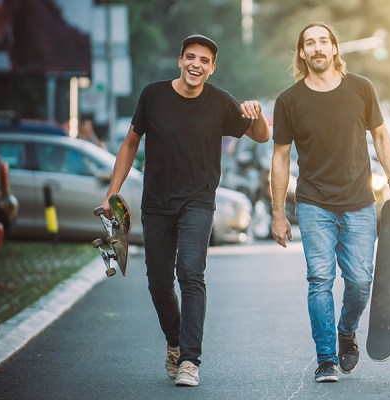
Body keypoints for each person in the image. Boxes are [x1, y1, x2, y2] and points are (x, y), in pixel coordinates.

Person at [100, 34, 269, 387]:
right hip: (157, 203)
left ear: (212, 67)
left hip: (198, 201)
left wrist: (258, 115)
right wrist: (111, 194)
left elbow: (262, 136)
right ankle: (175, 343)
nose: (196, 64)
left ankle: (190, 360)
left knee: (191, 273)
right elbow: (131, 142)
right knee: (159, 283)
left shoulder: (220, 101)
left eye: (204, 60)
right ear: (180, 61)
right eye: (190, 57)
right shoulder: (153, 95)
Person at [270, 22, 390, 383]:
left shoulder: (361, 89)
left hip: (360, 201)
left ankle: (347, 330)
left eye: (323, 42)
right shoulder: (289, 100)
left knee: (361, 281)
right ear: (301, 53)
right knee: (319, 279)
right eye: (309, 43)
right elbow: (281, 158)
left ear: (334, 48)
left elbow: (381, 135)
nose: (317, 48)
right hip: (314, 203)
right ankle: (326, 358)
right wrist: (278, 214)